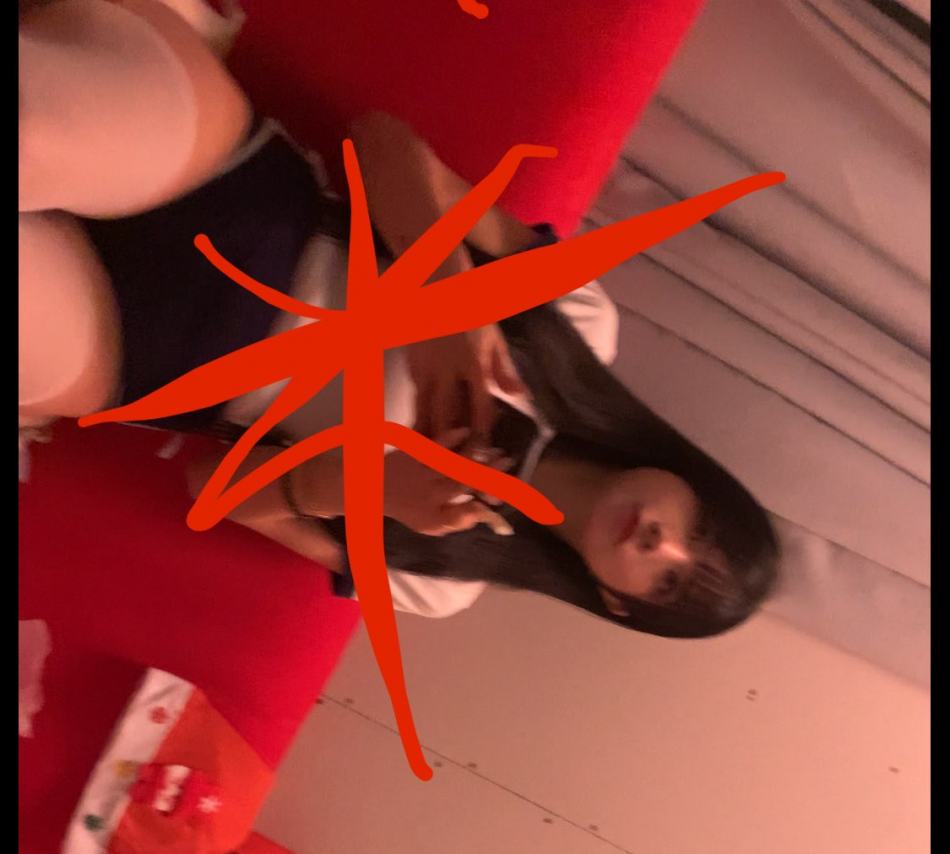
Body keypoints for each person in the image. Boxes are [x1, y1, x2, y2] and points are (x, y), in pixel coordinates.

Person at [19, 0, 779, 635]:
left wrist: (362, 488)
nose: (663, 544)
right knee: (31, 136)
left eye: (668, 582)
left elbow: (212, 489)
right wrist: (439, 301)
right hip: (231, 190)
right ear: (690, 478)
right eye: (698, 527)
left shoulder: (442, 580)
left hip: (142, 351)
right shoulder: (580, 323)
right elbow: (383, 146)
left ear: (617, 602)